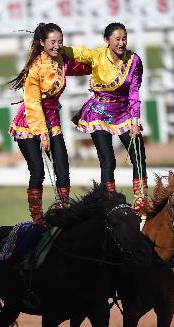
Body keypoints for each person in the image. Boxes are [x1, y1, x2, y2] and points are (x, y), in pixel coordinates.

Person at [62, 22, 151, 216]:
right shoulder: (97, 56)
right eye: (117, 39)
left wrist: (135, 120)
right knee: (107, 158)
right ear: (107, 40)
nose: (121, 43)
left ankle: (140, 199)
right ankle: (109, 201)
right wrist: (55, 47)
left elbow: (134, 91)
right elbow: (77, 52)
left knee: (138, 154)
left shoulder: (134, 61)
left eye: (124, 38)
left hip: (124, 113)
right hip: (99, 113)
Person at [8, 23, 91, 225]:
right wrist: (42, 134)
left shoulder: (61, 61)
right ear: (42, 43)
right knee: (38, 169)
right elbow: (33, 103)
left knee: (62, 164)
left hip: (52, 119)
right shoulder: (35, 68)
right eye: (52, 42)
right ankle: (37, 218)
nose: (57, 46)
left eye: (60, 41)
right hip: (29, 123)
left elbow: (81, 66)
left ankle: (63, 209)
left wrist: (104, 63)